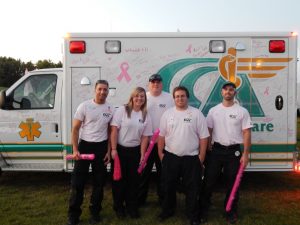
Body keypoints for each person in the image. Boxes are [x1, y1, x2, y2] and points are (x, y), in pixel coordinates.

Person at [200, 82, 252, 224]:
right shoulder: (213, 111)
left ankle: (230, 211)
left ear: (235, 93)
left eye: (231, 90)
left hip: (234, 152)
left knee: (233, 183)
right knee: (209, 182)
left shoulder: (242, 111)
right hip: (216, 151)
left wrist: (246, 154)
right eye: (226, 90)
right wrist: (207, 148)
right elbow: (208, 131)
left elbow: (247, 133)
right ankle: (203, 209)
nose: (228, 92)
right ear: (221, 92)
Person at [158, 86, 209, 225]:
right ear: (174, 98)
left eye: (182, 96)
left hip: (192, 158)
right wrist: (161, 154)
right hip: (170, 156)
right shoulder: (167, 114)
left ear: (188, 97)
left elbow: (204, 137)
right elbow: (161, 136)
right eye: (177, 96)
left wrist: (201, 157)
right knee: (168, 186)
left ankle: (193, 215)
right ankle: (167, 211)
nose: (180, 98)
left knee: (193, 188)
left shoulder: (196, 114)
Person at [66, 80, 113, 225]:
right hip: (84, 147)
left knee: (99, 183)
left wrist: (108, 151)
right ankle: (73, 215)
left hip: (101, 148)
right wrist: (75, 149)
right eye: (100, 89)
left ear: (108, 91)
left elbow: (111, 131)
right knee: (77, 183)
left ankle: (95, 213)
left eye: (105, 89)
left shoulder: (111, 108)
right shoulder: (84, 106)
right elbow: (75, 129)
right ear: (95, 90)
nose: (102, 92)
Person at [110, 87, 153, 219]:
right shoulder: (122, 110)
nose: (139, 98)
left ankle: (132, 207)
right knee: (119, 181)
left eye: (142, 96)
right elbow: (114, 130)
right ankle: (119, 207)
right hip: (120, 151)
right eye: (137, 96)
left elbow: (145, 137)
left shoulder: (145, 114)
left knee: (134, 182)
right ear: (132, 97)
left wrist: (142, 155)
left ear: (144, 99)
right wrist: (113, 149)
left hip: (135, 151)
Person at [138, 74, 174, 206]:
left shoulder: (169, 97)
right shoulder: (143, 97)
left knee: (163, 173)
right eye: (153, 82)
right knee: (143, 173)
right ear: (149, 84)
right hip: (146, 142)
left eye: (158, 82)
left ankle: (163, 200)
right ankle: (140, 200)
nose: (156, 84)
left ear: (162, 84)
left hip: (164, 142)